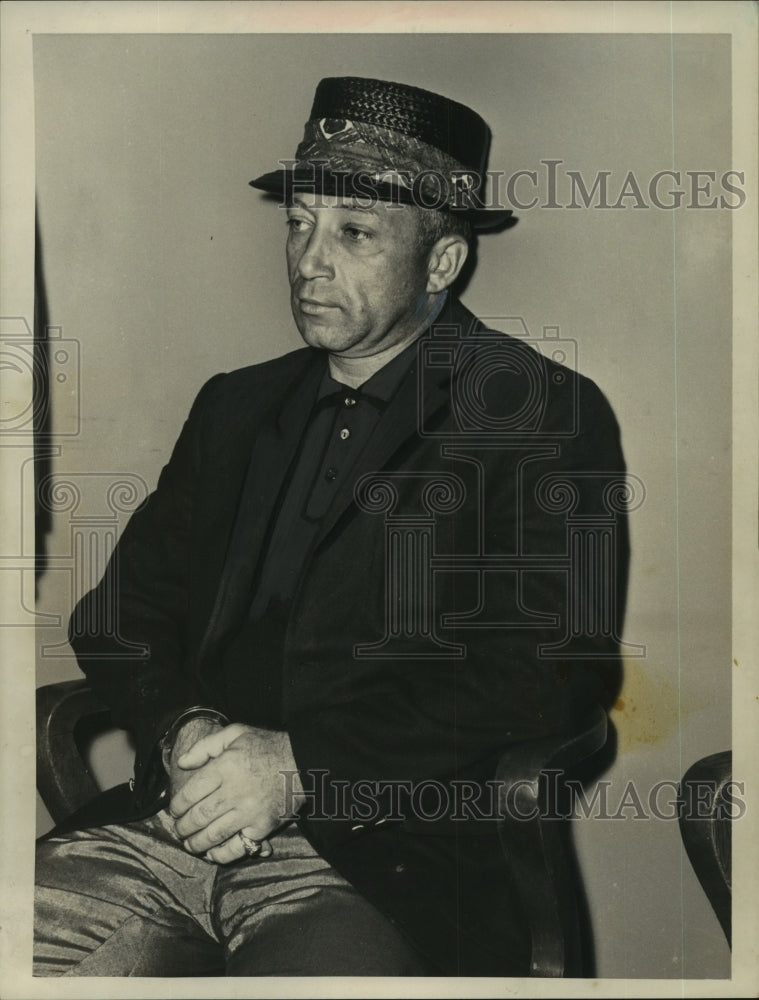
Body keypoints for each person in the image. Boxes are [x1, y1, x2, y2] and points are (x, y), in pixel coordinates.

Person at [34, 76, 627, 977]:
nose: (309, 259)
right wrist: (183, 727)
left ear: (441, 263)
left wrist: (302, 766)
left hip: (376, 859)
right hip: (170, 825)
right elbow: (117, 615)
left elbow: (551, 671)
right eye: (299, 223)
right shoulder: (237, 405)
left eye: (353, 232)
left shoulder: (537, 412)